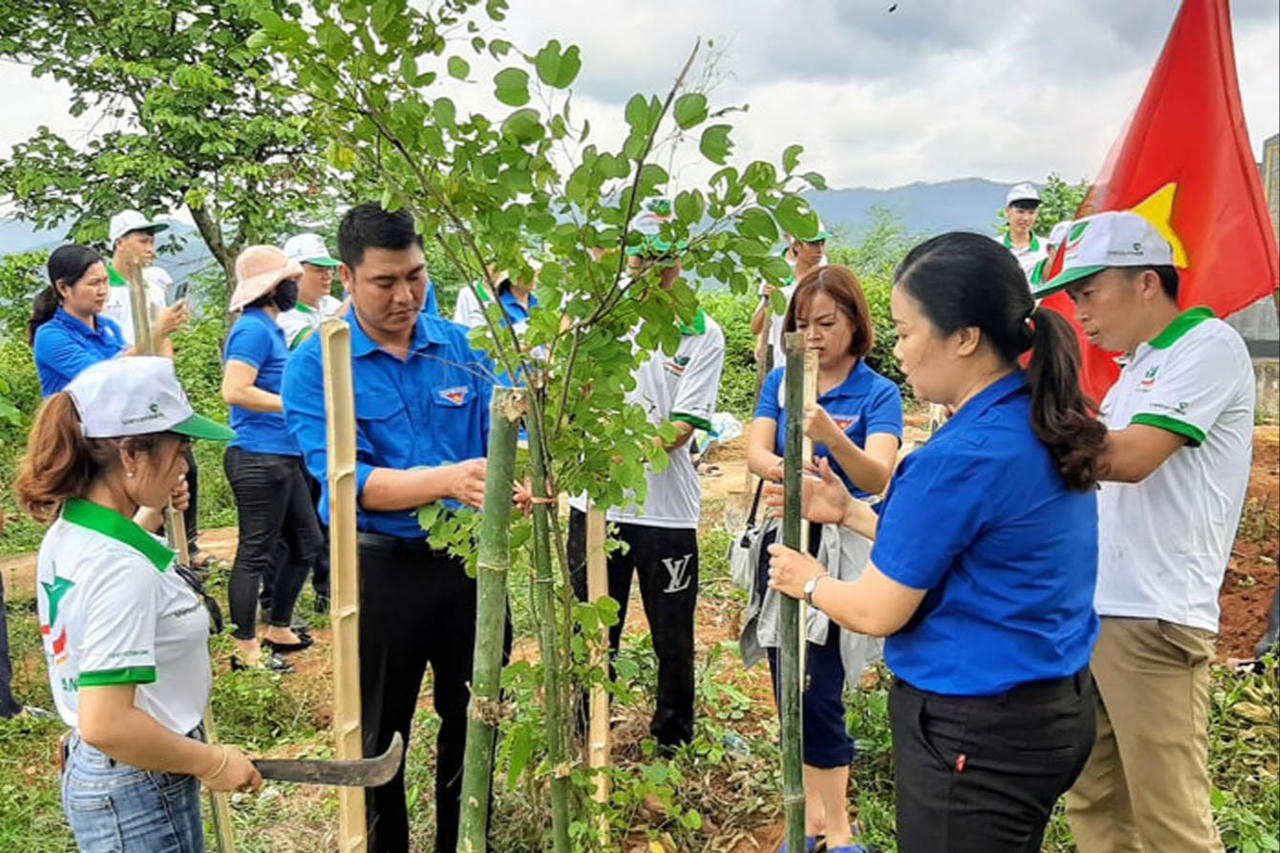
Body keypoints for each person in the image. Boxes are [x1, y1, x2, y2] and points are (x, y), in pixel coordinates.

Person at [766, 231, 1107, 853]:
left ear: (964, 337)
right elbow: (958, 552)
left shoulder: (958, 458)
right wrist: (849, 512)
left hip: (975, 735)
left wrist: (807, 580)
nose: (899, 352)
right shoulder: (1035, 420)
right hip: (1052, 712)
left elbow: (876, 609)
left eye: (904, 331)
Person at [1032, 211, 1256, 853]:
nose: (1082, 314)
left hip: (1156, 617)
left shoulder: (1206, 347)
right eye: (1074, 300)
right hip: (1098, 608)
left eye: (1089, 293)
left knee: (1170, 819)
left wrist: (1026, 436)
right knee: (1096, 803)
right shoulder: (1137, 368)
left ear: (1147, 282)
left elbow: (1127, 459)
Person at [282, 202, 499, 853]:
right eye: (385, 281)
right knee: (379, 730)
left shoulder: (460, 349)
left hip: (469, 564)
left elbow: (499, 438)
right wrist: (451, 479)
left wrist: (512, 477)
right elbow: (349, 483)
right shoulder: (318, 363)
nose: (405, 294)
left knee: (475, 715)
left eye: (416, 275)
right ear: (346, 279)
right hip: (379, 568)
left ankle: (466, 840)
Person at [14, 356, 261, 851]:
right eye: (179, 448)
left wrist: (148, 506)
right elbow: (108, 721)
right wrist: (211, 762)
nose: (184, 464)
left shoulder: (75, 531)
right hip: (136, 782)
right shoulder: (118, 566)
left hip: (124, 772)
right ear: (130, 453)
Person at [742, 265, 902, 853]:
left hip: (841, 548)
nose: (813, 335)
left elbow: (877, 473)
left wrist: (832, 438)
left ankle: (836, 827)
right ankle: (809, 817)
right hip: (786, 540)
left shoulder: (877, 392)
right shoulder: (783, 382)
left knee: (821, 684)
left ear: (856, 324)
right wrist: (794, 470)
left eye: (827, 323)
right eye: (803, 323)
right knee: (789, 679)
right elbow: (757, 452)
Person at [567, 214, 726, 753]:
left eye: (663, 259)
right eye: (640, 257)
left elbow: (680, 430)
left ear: (681, 262)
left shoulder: (702, 331)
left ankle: (672, 744)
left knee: (673, 639)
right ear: (623, 257)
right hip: (594, 505)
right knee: (589, 634)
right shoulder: (595, 319)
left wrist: (613, 443)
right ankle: (585, 735)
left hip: (665, 514)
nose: (651, 270)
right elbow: (572, 403)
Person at [221, 246, 321, 673]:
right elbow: (235, 389)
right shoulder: (253, 331)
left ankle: (278, 624)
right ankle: (245, 645)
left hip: (282, 454)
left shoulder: (271, 328)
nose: (295, 288)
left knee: (307, 543)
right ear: (271, 287)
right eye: (289, 281)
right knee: (255, 552)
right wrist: (292, 404)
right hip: (257, 455)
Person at [105, 209, 214, 571]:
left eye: (152, 240)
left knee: (183, 464)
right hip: (121, 392)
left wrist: (167, 379)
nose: (150, 248)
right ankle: (134, 547)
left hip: (153, 386)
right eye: (143, 240)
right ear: (121, 243)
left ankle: (186, 543)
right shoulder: (102, 289)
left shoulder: (153, 283)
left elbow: (162, 337)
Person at [30, 245, 185, 396]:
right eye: (94, 283)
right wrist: (157, 333)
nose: (103, 291)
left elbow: (135, 371)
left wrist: (163, 338)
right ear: (63, 288)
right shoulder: (50, 336)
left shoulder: (108, 326)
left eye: (105, 281)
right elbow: (104, 378)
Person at [752, 223, 831, 369]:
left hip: (819, 364)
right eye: (813, 244)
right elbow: (755, 327)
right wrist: (767, 301)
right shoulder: (779, 280)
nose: (819, 250)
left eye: (822, 243)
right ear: (796, 246)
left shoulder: (827, 280)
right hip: (783, 360)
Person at [278, 233, 345, 351]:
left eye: (329, 269)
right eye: (319, 270)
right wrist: (345, 311)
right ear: (294, 273)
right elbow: (311, 346)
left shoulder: (331, 304)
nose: (328, 276)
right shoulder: (283, 314)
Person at [999, 183, 1047, 281]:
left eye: (1031, 213)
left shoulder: (1047, 249)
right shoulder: (995, 247)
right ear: (1008, 212)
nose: (1026, 218)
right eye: (1020, 212)